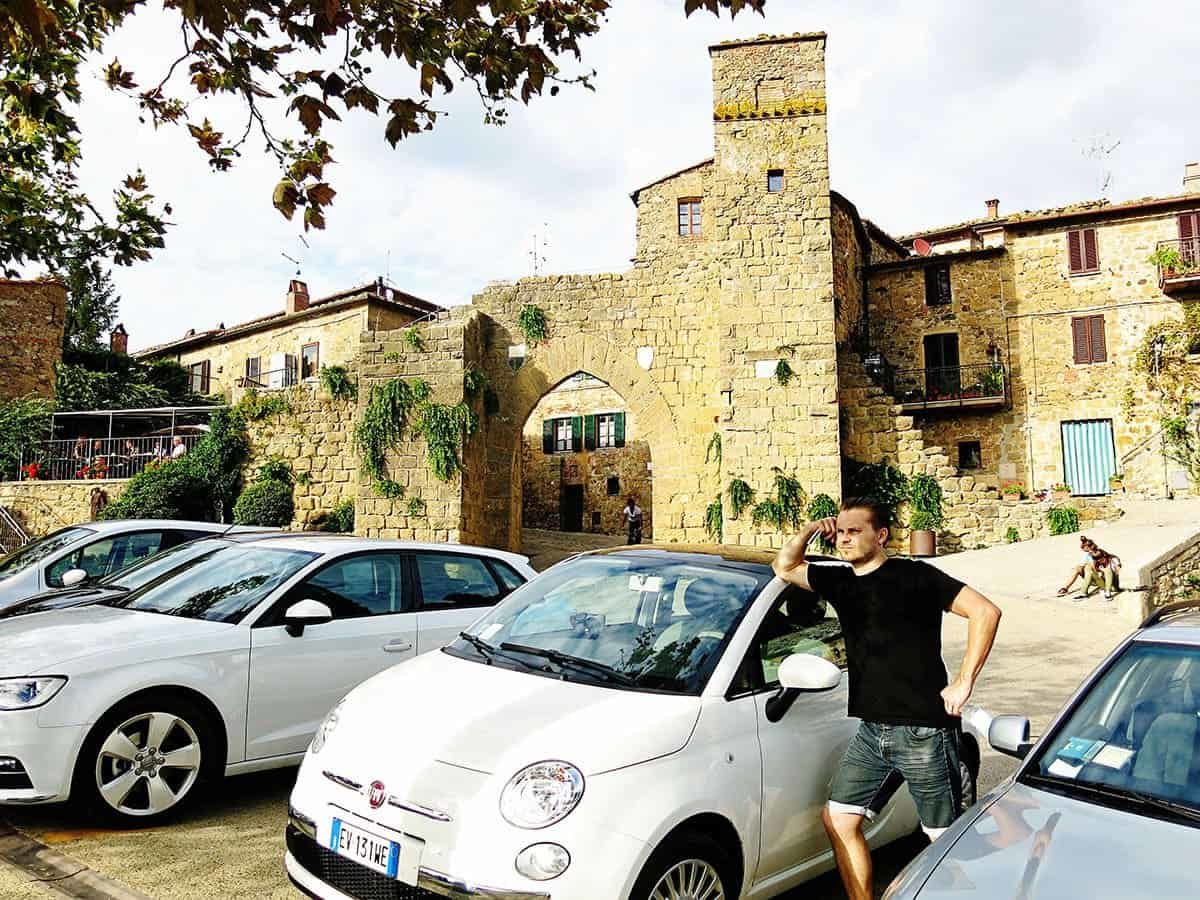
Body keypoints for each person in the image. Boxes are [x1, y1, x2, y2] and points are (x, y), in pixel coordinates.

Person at [772, 497, 1002, 900]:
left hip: (923, 731)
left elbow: (985, 612)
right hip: (872, 731)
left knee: (944, 841)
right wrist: (811, 528)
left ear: (880, 536)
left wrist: (964, 680)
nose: (844, 539)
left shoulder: (916, 577)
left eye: (854, 531)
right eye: (840, 531)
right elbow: (785, 566)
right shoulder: (840, 581)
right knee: (839, 819)